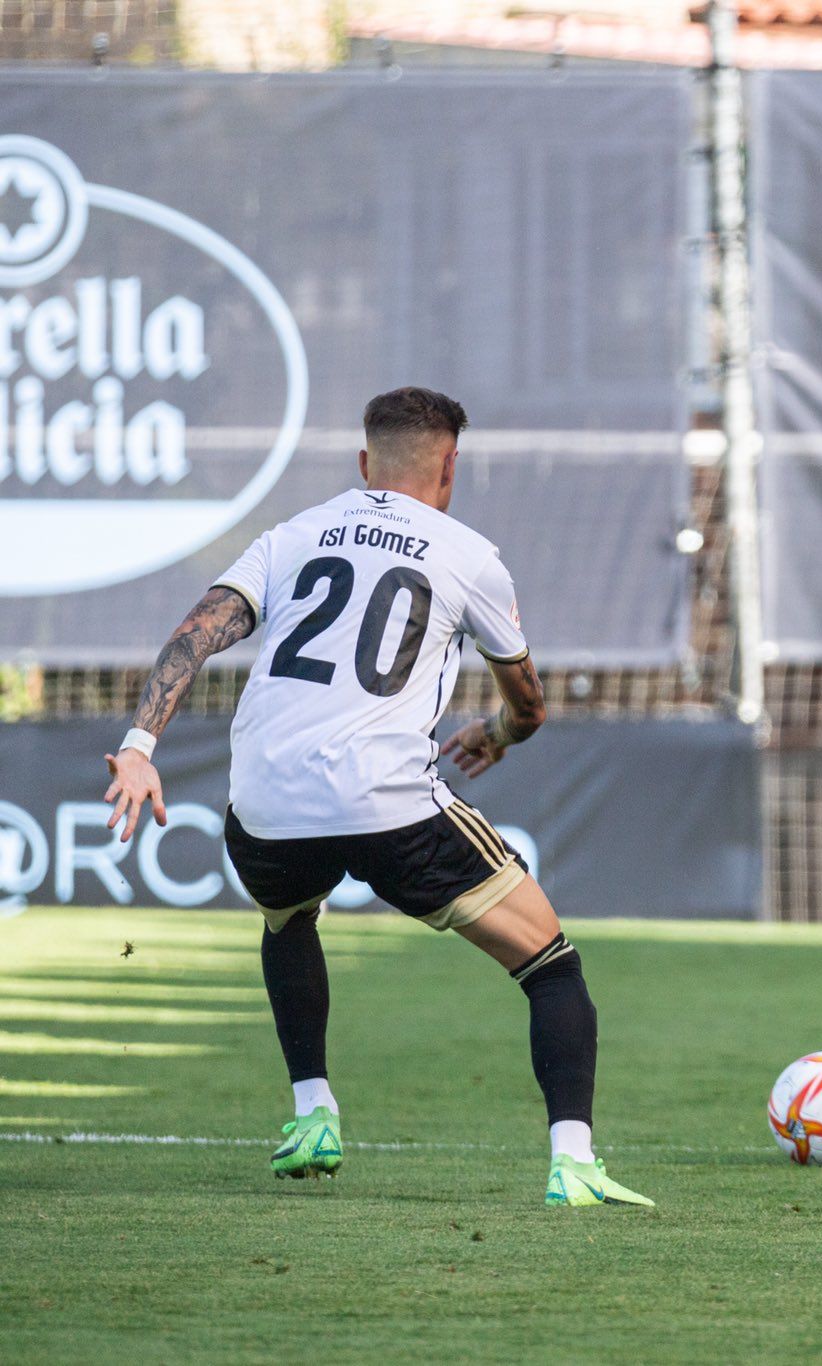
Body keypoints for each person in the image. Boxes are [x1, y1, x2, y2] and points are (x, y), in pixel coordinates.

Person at [101, 386, 652, 1208]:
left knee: (288, 918)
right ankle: (573, 1163)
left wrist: (140, 747)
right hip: (390, 806)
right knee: (550, 964)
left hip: (266, 806)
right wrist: (498, 736)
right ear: (450, 468)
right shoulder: (468, 555)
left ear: (365, 462)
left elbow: (195, 632)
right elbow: (529, 703)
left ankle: (312, 1110)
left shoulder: (290, 536)